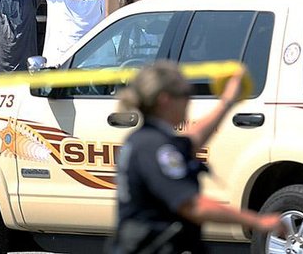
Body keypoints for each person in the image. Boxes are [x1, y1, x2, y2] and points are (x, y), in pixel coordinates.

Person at [113, 61, 280, 254]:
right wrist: (257, 220)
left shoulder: (146, 139)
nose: (189, 101)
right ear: (164, 99)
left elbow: (193, 139)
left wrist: (228, 101)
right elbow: (193, 206)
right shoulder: (154, 147)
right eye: (185, 94)